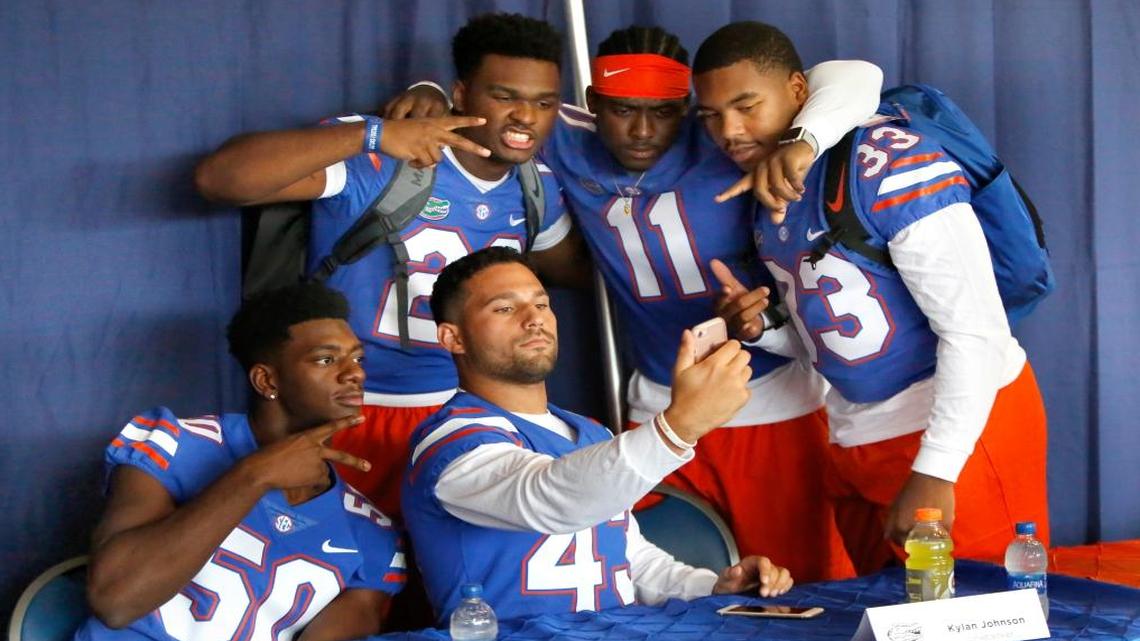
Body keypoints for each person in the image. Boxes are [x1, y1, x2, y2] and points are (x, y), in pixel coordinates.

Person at [385, 25, 882, 582]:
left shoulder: (727, 137)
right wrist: (431, 93)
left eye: (664, 112)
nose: (643, 131)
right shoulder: (567, 137)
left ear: (687, 108)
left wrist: (806, 139)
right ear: (592, 104)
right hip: (655, 401)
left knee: (792, 584)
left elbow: (858, 78)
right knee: (655, 576)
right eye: (622, 110)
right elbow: (504, 107)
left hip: (765, 396)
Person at [693, 21, 1049, 573]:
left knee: (984, 610)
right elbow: (845, 337)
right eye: (712, 116)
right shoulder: (766, 185)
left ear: (797, 91)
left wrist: (937, 469)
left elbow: (976, 331)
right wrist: (765, 330)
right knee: (887, 608)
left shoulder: (885, 159)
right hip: (856, 434)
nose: (729, 131)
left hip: (954, 430)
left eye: (746, 107)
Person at [195, 13, 582, 520]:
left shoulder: (536, 187)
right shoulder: (385, 157)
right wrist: (372, 136)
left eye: (544, 103)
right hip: (350, 406)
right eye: (505, 96)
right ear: (461, 94)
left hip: (462, 412)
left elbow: (579, 270)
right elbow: (219, 179)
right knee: (336, 557)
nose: (525, 117)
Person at [401, 246, 793, 623]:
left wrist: (714, 587)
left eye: (542, 304)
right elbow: (549, 499)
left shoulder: (591, 432)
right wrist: (678, 426)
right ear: (453, 338)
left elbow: (629, 560)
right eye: (505, 308)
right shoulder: (450, 442)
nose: (534, 318)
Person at [75, 282, 406, 641]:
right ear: (266, 380)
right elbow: (115, 601)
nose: (355, 374)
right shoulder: (174, 444)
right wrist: (256, 474)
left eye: (358, 359)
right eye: (326, 360)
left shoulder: (369, 528)